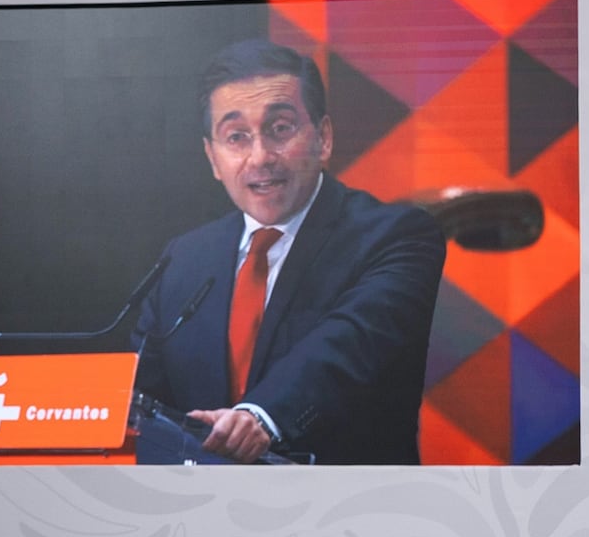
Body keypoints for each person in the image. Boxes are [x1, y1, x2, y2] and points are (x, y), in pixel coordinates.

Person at [131, 39, 446, 465]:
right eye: (236, 137)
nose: (260, 157)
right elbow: (137, 396)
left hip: (348, 515)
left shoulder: (396, 236)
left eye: (280, 129)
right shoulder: (184, 260)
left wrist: (261, 416)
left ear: (324, 138)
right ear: (212, 158)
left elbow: (347, 345)